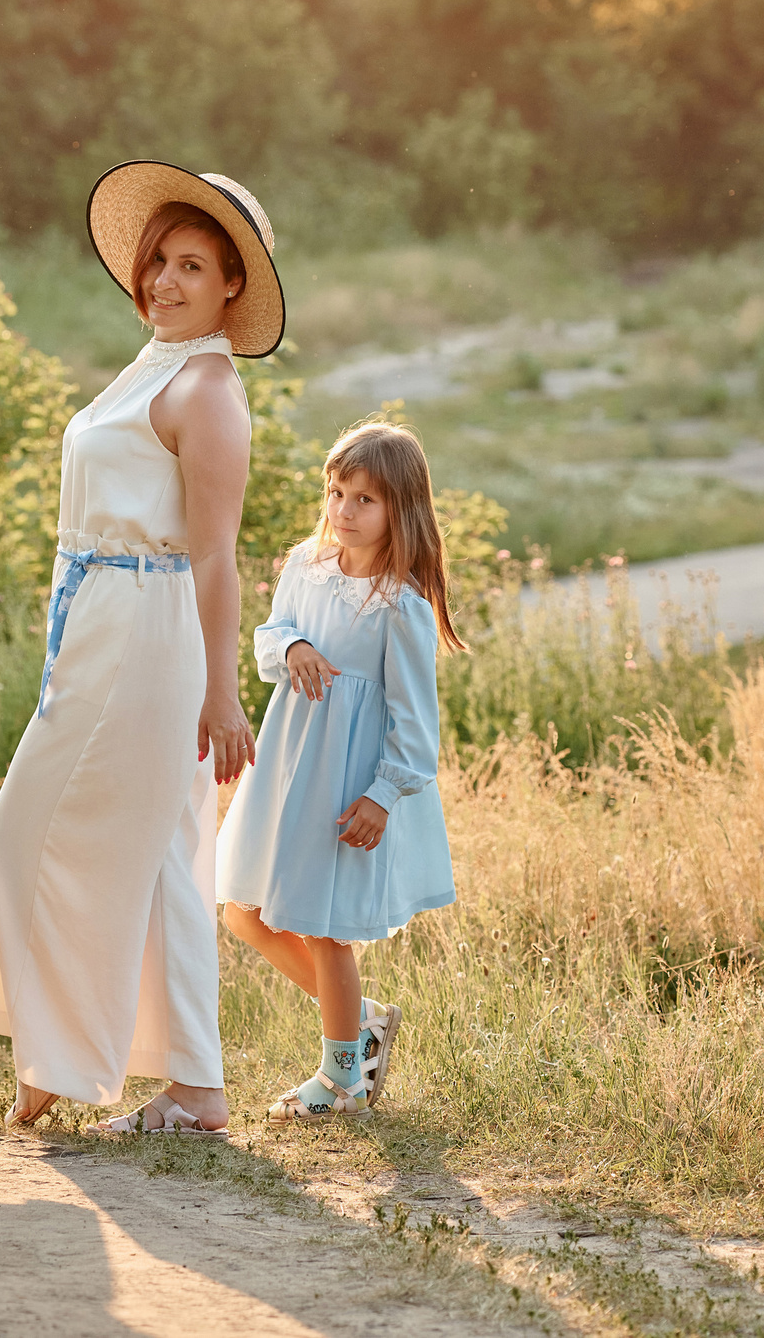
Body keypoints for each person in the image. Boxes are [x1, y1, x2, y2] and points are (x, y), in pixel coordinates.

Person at [0, 161, 285, 1136]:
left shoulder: (206, 389)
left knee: (18, 829)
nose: (163, 280)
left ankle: (60, 1058)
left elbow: (215, 558)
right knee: (162, 859)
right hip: (101, 615)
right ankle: (191, 1087)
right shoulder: (154, 364)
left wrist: (223, 691)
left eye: (190, 265)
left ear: (230, 284)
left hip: (148, 628)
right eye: (157, 260)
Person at [218, 421, 465, 1120]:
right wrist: (291, 643)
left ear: (401, 510)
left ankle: (342, 1080)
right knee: (243, 911)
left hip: (347, 784)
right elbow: (269, 638)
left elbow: (417, 726)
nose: (345, 511)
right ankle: (362, 1022)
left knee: (326, 928)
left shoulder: (401, 606)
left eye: (364, 499)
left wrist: (382, 795)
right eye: (337, 492)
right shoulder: (308, 565)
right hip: (289, 768)